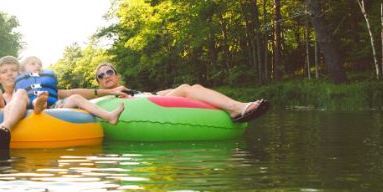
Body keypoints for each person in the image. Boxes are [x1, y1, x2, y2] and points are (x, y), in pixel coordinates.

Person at [0, 55, 125, 151]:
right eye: (4, 72)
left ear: (22, 73)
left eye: (14, 70)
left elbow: (74, 93)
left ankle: (5, 128)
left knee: (21, 94)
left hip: (34, 135)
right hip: (2, 143)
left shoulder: (37, 88)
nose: (10, 74)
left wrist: (109, 91)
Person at [93, 62, 270, 123]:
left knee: (196, 88)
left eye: (109, 72)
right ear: (98, 81)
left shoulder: (125, 88)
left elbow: (144, 94)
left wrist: (158, 93)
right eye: (101, 75)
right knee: (185, 88)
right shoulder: (102, 96)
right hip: (147, 104)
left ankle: (236, 107)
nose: (106, 76)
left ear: (117, 76)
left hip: (150, 97)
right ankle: (236, 108)